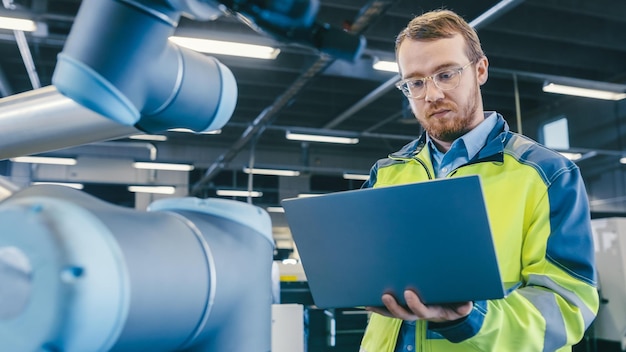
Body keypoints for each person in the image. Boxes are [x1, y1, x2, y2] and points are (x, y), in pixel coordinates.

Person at [359, 9, 599, 352]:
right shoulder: (386, 172)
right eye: (415, 82)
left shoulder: (546, 174)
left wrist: (471, 318)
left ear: (480, 70)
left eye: (445, 75)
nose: (431, 95)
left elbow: (568, 306)